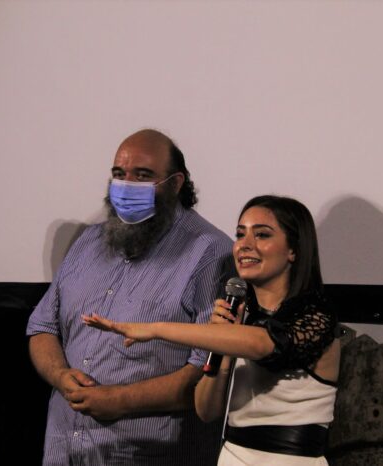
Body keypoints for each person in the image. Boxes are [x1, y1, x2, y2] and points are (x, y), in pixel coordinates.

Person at [26, 129, 235, 465]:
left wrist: (119, 400)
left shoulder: (211, 253)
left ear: (176, 183)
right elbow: (42, 326)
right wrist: (61, 376)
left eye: (142, 175)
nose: (126, 186)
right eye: (119, 174)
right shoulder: (88, 242)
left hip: (146, 454)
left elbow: (205, 373)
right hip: (66, 449)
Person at [84, 195, 340, 465]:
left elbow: (262, 344)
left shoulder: (315, 315)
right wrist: (222, 354)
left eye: (262, 235)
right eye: (240, 234)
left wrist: (155, 329)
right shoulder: (240, 316)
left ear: (293, 250)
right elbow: (206, 409)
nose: (244, 245)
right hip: (233, 457)